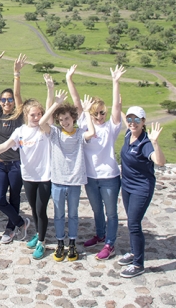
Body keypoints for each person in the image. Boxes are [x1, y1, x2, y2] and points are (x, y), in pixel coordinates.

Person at [0, 96, 52, 259]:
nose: (36, 118)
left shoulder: (45, 130)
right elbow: (5, 145)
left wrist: (51, 94)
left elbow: (49, 113)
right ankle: (38, 234)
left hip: (44, 177)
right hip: (28, 176)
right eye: (32, 115)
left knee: (40, 210)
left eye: (39, 114)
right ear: (26, 115)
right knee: (34, 210)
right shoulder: (20, 131)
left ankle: (42, 242)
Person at [65, 64, 126, 261]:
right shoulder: (84, 123)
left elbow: (117, 107)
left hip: (109, 176)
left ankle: (110, 243)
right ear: (90, 114)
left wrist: (115, 82)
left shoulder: (111, 127)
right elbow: (75, 102)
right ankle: (100, 235)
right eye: (96, 113)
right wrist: (69, 80)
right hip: (90, 176)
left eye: (102, 113)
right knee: (96, 209)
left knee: (111, 212)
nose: (100, 116)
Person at [41, 84, 96, 262]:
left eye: (67, 118)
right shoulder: (55, 133)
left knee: (73, 214)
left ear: (73, 118)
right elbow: (42, 122)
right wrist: (55, 105)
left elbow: (92, 133)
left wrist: (86, 111)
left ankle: (71, 243)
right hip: (57, 180)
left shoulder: (80, 133)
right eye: (61, 119)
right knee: (58, 214)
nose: (65, 122)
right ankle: (60, 243)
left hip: (74, 181)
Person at [117, 107, 165, 278]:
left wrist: (155, 142)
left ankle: (138, 264)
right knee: (131, 221)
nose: (132, 123)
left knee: (134, 224)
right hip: (127, 185)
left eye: (137, 120)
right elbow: (124, 117)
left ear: (143, 121)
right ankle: (133, 252)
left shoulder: (145, 143)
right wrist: (118, 97)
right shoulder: (129, 134)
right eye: (130, 119)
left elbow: (159, 162)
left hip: (141, 188)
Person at [0, 53, 30, 246]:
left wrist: (16, 74)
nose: (6, 102)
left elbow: (19, 96)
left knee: (14, 198)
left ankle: (10, 228)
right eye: (4, 100)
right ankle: (21, 222)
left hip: (15, 165)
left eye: (10, 100)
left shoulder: (18, 116)